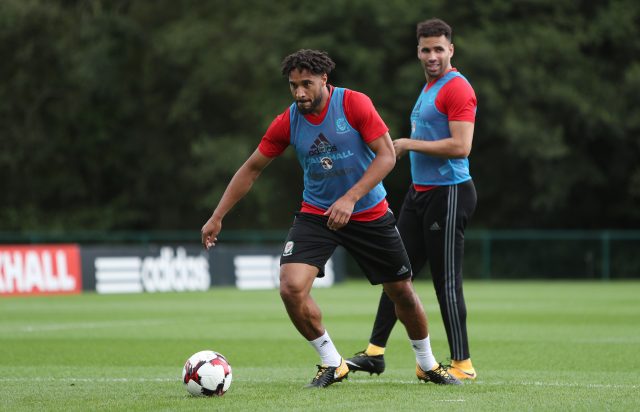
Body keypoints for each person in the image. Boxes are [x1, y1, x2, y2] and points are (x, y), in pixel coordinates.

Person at [201, 49, 460, 388]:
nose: (300, 93)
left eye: (306, 84)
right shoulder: (288, 121)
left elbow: (386, 157)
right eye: (293, 86)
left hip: (369, 212)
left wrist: (350, 198)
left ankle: (426, 364)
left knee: (401, 292)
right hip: (316, 215)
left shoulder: (354, 105)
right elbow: (252, 168)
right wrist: (217, 216)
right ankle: (331, 362)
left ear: (325, 79)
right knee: (291, 288)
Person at [346, 18, 478, 381]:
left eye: (439, 49)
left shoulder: (456, 88)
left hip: (449, 193)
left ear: (451, 49)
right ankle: (374, 353)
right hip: (420, 194)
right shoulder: (429, 88)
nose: (432, 55)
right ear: (417, 51)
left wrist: (406, 143)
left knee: (445, 281)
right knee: (395, 273)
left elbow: (461, 146)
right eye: (426, 49)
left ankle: (462, 364)